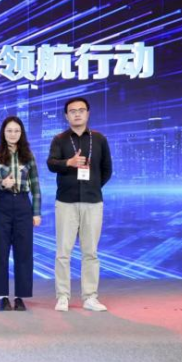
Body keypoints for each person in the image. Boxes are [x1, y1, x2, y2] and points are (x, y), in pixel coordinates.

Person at [47, 97, 113, 312]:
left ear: (88, 113)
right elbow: (51, 164)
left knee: (90, 252)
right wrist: (69, 162)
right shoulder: (59, 139)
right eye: (72, 111)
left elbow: (107, 169)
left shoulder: (99, 139)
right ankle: (62, 296)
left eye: (81, 110)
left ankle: (90, 297)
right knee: (63, 253)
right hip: (66, 201)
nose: (77, 114)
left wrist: (93, 185)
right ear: (66, 116)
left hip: (93, 202)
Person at [0, 116, 42, 312]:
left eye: (16, 131)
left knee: (24, 251)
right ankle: (2, 297)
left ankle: (20, 296)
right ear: (3, 133)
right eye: (9, 130)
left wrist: (36, 212)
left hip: (23, 204)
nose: (12, 134)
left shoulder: (29, 156)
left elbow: (35, 185)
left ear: (21, 133)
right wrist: (3, 183)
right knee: (0, 251)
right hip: (2, 204)